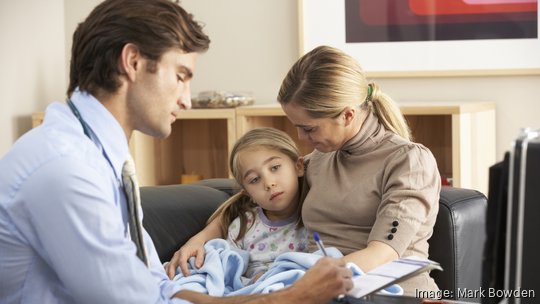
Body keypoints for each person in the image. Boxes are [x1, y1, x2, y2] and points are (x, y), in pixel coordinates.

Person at [0, 0, 352, 302]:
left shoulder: (101, 157)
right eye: (181, 76)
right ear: (133, 62)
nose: (186, 98)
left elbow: (160, 289)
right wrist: (294, 297)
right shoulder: (67, 170)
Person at [168, 45, 441, 297]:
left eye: (309, 128)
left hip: (389, 294)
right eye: (297, 126)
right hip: (321, 291)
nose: (300, 137)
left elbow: (383, 253)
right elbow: (249, 198)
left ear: (347, 115)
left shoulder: (408, 162)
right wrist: (202, 238)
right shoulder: (321, 160)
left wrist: (298, 285)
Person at [168, 128, 309, 283]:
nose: (269, 183)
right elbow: (228, 273)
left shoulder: (318, 215)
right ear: (248, 194)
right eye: (254, 179)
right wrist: (252, 282)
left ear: (299, 166)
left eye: (275, 167)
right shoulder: (243, 227)